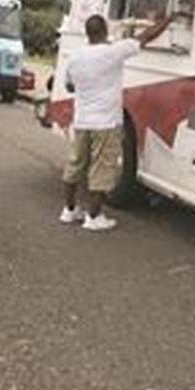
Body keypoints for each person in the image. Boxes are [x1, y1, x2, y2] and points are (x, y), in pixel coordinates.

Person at [59, 12, 175, 231]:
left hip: (83, 121)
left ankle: (69, 210)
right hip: (105, 122)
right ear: (105, 31)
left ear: (87, 33)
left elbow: (69, 86)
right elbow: (145, 37)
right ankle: (94, 218)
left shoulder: (75, 57)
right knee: (102, 170)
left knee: (75, 166)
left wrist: (88, 86)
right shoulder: (113, 52)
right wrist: (167, 21)